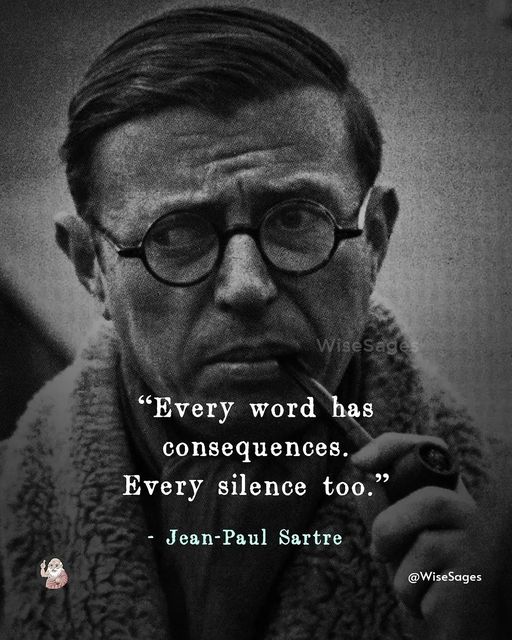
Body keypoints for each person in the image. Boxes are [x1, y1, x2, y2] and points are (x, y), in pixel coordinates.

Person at [0, 6, 499, 639]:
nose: (246, 286)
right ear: (87, 263)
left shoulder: (494, 542)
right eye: (175, 234)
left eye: (296, 219)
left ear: (375, 237)